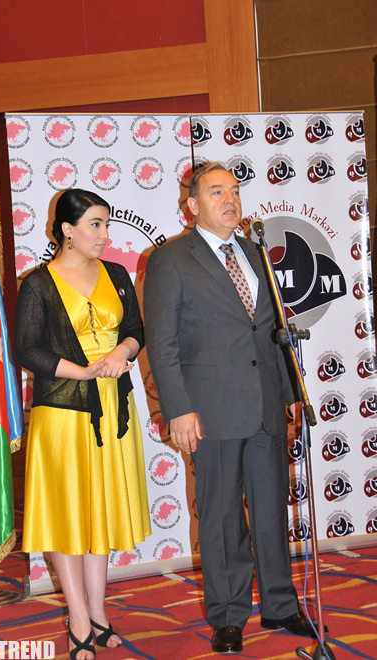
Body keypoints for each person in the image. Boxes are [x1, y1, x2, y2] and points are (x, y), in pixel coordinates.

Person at [143, 162, 317, 654]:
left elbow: (270, 329)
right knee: (221, 519)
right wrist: (178, 409)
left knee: (271, 511)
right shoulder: (170, 259)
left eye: (235, 190)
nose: (230, 199)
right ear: (191, 205)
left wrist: (290, 392)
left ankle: (280, 604)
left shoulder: (256, 251)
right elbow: (162, 343)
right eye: (217, 191)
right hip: (209, 410)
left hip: (265, 403)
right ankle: (228, 615)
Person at [15, 189, 151, 660]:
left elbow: (135, 329)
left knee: (100, 511)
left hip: (113, 410)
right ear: (67, 230)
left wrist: (121, 352)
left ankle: (98, 612)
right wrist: (82, 372)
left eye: (107, 224)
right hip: (63, 414)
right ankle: (77, 618)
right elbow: (26, 349)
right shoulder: (37, 284)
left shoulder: (116, 274)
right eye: (96, 224)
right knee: (67, 514)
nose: (105, 234)